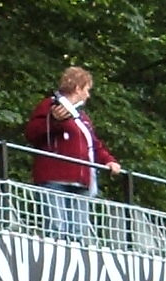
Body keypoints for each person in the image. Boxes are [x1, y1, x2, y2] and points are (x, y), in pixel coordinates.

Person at [25, 65, 119, 240]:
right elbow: (32, 133)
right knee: (56, 227)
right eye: (87, 89)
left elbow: (93, 144)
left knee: (78, 231)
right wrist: (54, 121)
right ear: (77, 88)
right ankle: (55, 263)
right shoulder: (50, 106)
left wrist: (108, 160)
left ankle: (74, 263)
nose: (88, 95)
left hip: (81, 180)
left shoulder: (82, 117)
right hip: (54, 177)